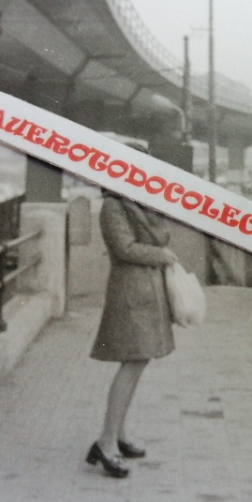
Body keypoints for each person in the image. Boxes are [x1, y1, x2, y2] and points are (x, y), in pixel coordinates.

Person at [85, 192, 178, 478]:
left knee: (139, 360)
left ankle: (118, 434)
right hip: (130, 290)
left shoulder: (139, 201)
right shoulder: (113, 205)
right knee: (133, 360)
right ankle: (107, 441)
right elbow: (124, 247)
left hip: (149, 289)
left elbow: (160, 235)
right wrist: (160, 255)